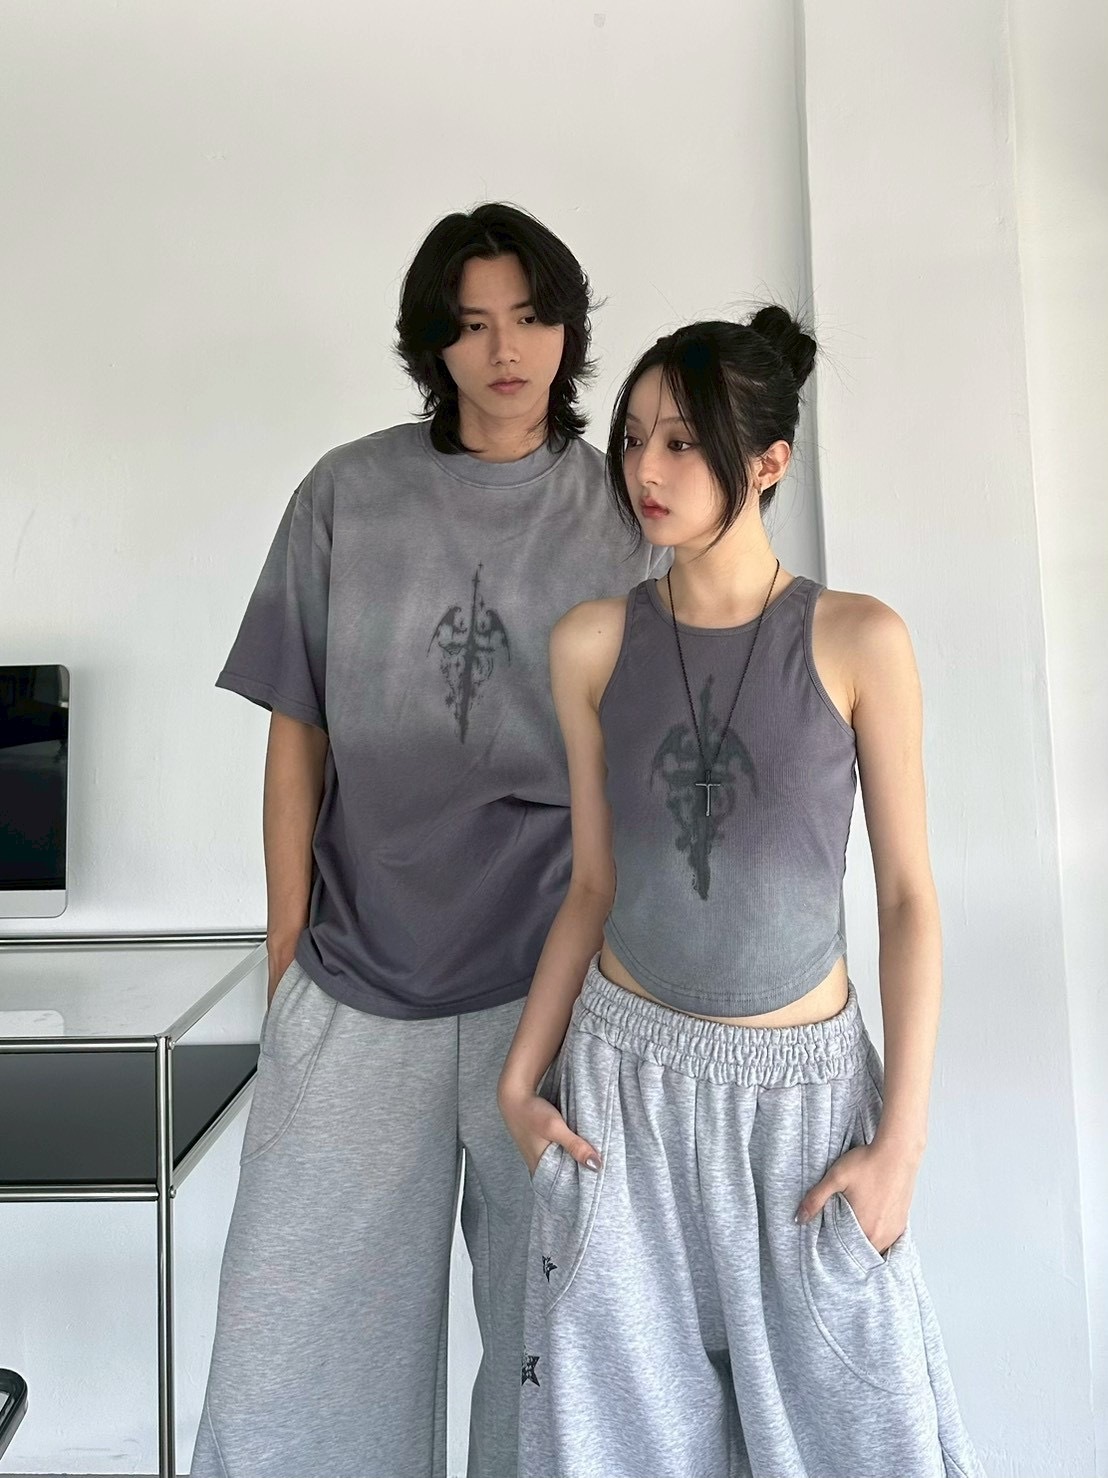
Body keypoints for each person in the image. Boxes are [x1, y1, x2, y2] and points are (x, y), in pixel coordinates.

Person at [190, 202, 668, 1478]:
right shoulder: (347, 493)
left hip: (552, 984)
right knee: (297, 1354)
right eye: (470, 324)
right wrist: (287, 948)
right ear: (431, 345)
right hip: (359, 974)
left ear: (567, 332)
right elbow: (296, 733)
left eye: (530, 317)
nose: (504, 350)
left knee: (555, 1350)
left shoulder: (623, 513)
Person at [498, 309, 985, 1477]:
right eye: (634, 439)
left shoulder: (859, 639)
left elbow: (908, 898)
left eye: (683, 442)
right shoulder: (590, 643)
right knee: (616, 1443)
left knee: (859, 1436)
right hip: (622, 1090)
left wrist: (901, 1141)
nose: (647, 469)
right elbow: (593, 883)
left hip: (802, 1105)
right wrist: (518, 1080)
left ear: (767, 462)